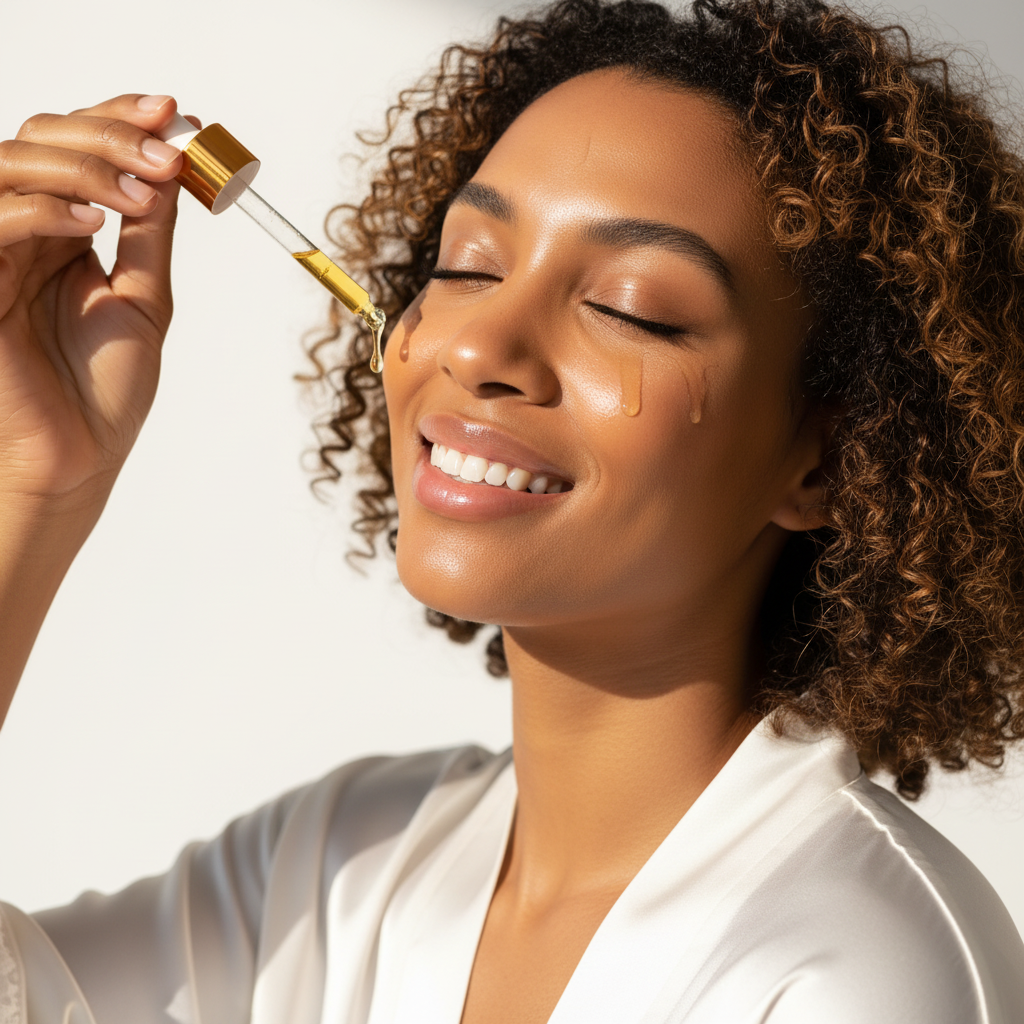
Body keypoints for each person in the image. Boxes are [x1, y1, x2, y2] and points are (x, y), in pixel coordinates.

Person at [0, 0, 1022, 1020]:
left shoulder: (860, 975)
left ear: (831, 460)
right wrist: (31, 481)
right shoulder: (334, 868)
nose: (477, 346)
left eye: (629, 307)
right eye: (468, 267)